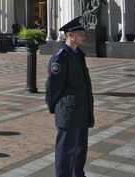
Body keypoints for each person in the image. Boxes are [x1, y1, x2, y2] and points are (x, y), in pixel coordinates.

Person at [45, 16, 94, 177]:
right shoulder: (61, 57)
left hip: (81, 110)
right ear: (70, 35)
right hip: (68, 111)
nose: (83, 36)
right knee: (66, 151)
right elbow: (53, 86)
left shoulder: (78, 54)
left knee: (80, 148)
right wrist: (54, 107)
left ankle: (77, 174)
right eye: (80, 33)